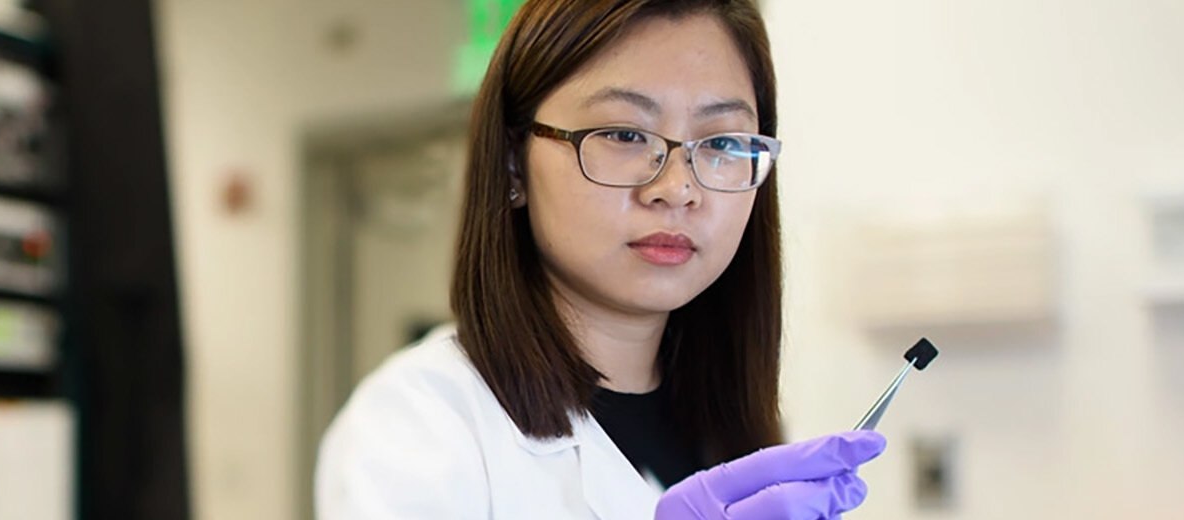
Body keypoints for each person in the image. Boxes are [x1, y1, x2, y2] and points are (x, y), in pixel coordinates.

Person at [314, 0, 885, 518]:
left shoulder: (740, 426)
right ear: (514, 165)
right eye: (624, 134)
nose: (678, 188)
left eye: (723, 143)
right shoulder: (418, 426)